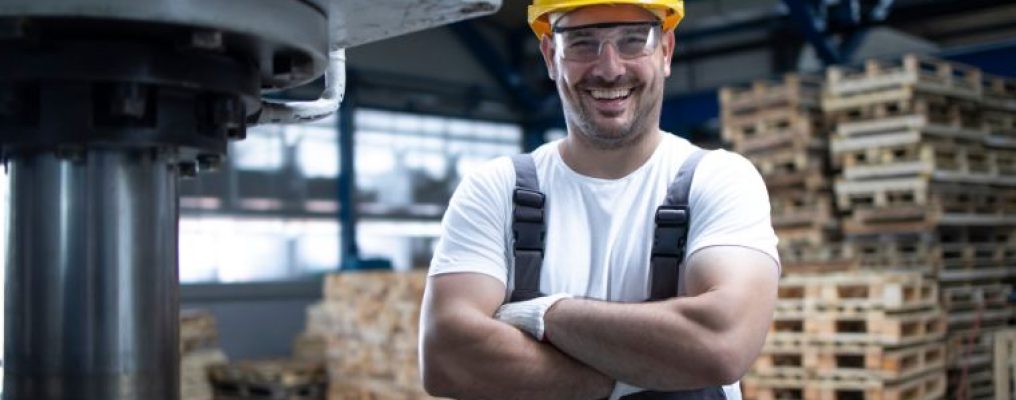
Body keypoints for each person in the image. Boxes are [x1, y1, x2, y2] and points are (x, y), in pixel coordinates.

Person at [419, 1, 780, 399]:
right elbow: (445, 357)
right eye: (582, 43)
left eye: (632, 41)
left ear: (666, 51)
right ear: (550, 56)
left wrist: (542, 314)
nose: (609, 68)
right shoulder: (495, 190)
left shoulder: (719, 179)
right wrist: (627, 381)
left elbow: (721, 343)